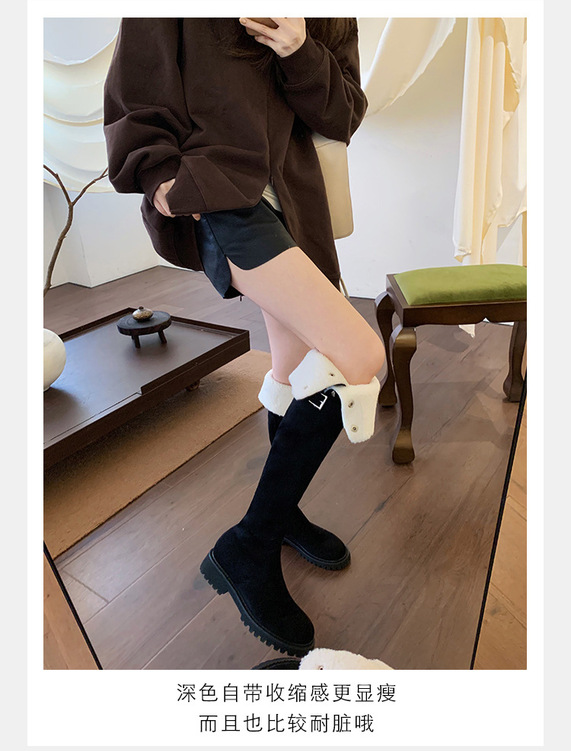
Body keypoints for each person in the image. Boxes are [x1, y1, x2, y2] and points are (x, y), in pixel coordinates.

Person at [104, 17, 386, 658]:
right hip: (219, 195)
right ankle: (248, 545)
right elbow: (133, 89)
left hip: (294, 200)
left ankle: (281, 514)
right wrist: (160, 179)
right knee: (358, 355)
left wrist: (299, 48)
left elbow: (343, 115)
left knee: (291, 363)